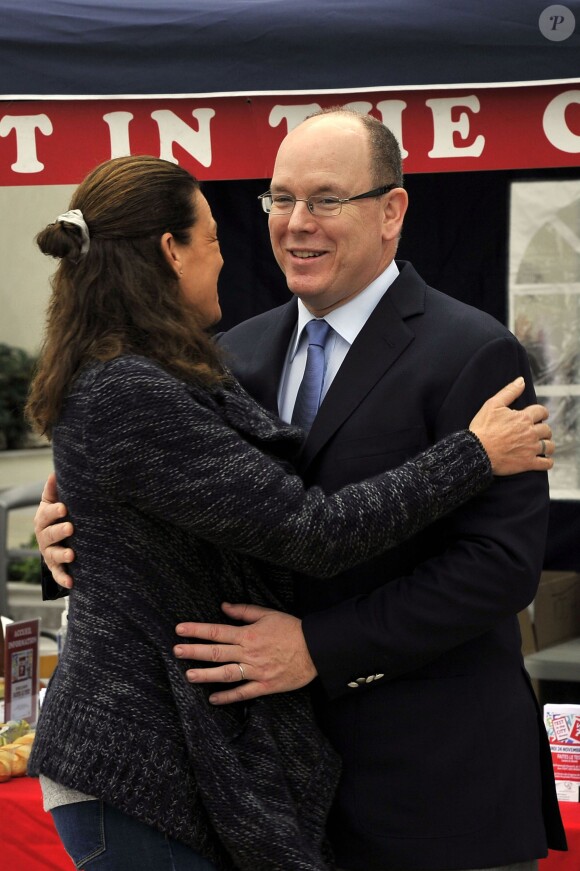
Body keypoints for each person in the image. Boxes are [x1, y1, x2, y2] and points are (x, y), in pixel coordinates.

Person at [33, 113, 562, 871]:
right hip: (261, 795)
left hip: (434, 789)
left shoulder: (474, 350)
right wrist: (68, 538)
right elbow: (202, 518)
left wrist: (319, 646)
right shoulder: (224, 353)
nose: (295, 224)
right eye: (279, 199)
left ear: (392, 212)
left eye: (325, 200)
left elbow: (499, 567)